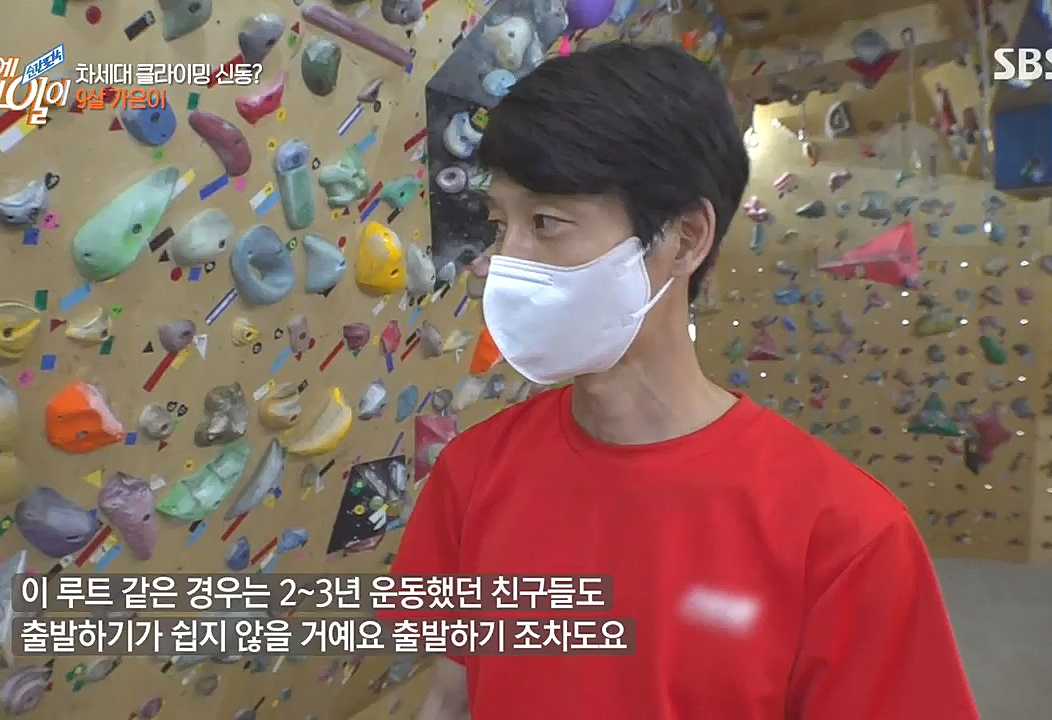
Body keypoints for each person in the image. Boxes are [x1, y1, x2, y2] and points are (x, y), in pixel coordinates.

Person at [389, 42, 980, 720]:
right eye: (501, 225)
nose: (502, 262)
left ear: (686, 238)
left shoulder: (846, 538)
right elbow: (453, 691)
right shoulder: (472, 474)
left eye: (546, 223)